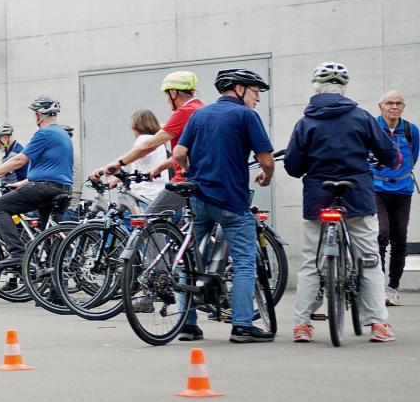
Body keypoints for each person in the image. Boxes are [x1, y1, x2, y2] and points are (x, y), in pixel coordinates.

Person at [284, 62, 398, 343]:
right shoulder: (361, 117)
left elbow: (293, 166)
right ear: (344, 88)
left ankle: (302, 325)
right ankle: (378, 324)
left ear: (316, 88)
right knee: (369, 259)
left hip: (318, 194)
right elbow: (387, 154)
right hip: (357, 193)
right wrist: (391, 161)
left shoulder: (306, 121)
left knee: (311, 259)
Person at [170, 68, 275, 343]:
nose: (258, 99)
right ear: (239, 89)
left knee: (190, 261)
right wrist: (267, 175)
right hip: (231, 199)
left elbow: (179, 153)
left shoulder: (199, 114)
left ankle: (187, 324)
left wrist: (193, 171)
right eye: (255, 92)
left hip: (198, 198)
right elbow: (266, 159)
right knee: (243, 262)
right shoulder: (246, 115)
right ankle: (241, 325)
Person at [90, 71, 205, 218]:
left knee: (149, 220)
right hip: (204, 178)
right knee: (197, 230)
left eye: (167, 95)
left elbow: (149, 145)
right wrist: (159, 168)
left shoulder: (185, 112)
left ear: (174, 92)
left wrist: (117, 163)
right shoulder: (202, 108)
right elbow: (187, 153)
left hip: (187, 179)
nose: (167, 101)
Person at [0, 95, 73, 267]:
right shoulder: (62, 134)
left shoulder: (44, 133)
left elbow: (20, 160)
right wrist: (21, 184)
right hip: (62, 188)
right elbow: (52, 168)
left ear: (38, 115)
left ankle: (18, 253)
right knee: (48, 235)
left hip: (44, 188)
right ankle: (54, 285)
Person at [371, 91, 415, 306]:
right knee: (381, 233)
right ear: (381, 106)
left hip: (402, 191)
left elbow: (413, 156)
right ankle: (377, 287)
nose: (394, 107)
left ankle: (393, 288)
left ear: (403, 107)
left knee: (400, 239)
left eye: (398, 103)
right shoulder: (371, 128)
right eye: (389, 103)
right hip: (376, 189)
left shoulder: (410, 130)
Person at [113, 109, 168, 204]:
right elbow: (145, 168)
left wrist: (113, 165)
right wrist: (117, 179)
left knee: (121, 216)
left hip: (144, 195)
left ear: (137, 125)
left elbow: (130, 157)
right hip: (158, 194)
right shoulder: (158, 142)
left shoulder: (143, 140)